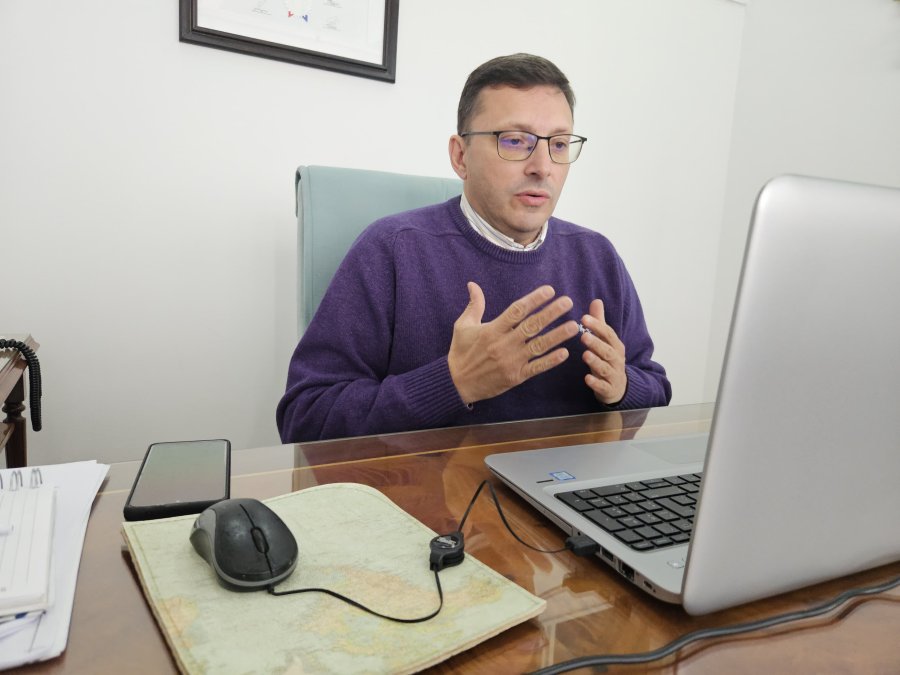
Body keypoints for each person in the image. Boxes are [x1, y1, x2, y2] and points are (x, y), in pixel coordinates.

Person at [277, 53, 671, 443]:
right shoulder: (391, 250)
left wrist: (622, 388)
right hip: (433, 498)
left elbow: (656, 387)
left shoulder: (597, 257)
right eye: (516, 141)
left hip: (565, 494)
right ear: (460, 156)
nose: (542, 166)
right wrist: (454, 382)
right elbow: (305, 417)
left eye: (560, 144)